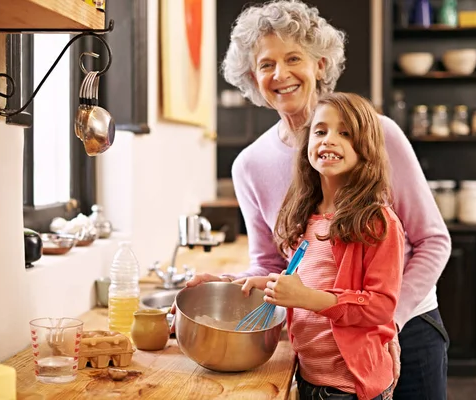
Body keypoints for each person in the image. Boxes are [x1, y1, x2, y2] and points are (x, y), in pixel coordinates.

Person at [184, 1, 452, 398]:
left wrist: (384, 324)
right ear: (252, 78)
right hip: (322, 354)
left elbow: (433, 241)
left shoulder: (379, 133)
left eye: (294, 58)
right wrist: (224, 285)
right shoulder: (249, 165)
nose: (281, 74)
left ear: (321, 65)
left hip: (405, 328)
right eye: (265, 64)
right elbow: (275, 264)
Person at [263, 91, 405, 400]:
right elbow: (305, 281)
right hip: (307, 376)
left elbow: (381, 305)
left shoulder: (378, 222)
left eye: (345, 133)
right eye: (320, 131)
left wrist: (307, 298)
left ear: (366, 149)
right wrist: (263, 284)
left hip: (348, 387)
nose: (329, 139)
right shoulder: (304, 219)